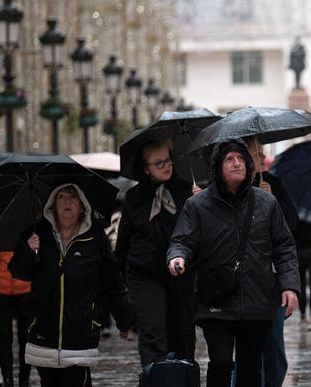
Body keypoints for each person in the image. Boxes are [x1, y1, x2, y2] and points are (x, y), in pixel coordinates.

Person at [167, 140, 299, 387]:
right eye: (229, 159)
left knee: (250, 366)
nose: (236, 163)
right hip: (216, 298)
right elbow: (182, 240)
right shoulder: (198, 204)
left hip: (257, 299)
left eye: (241, 159)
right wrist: (177, 257)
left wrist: (289, 286)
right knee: (221, 361)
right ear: (218, 167)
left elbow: (284, 246)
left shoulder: (267, 202)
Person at [11, 184, 135, 386]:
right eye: (61, 196)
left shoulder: (95, 237)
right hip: (44, 330)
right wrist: (27, 250)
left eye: (73, 196)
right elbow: (18, 272)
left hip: (81, 331)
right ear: (52, 205)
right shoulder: (37, 234)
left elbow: (112, 281)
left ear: (82, 206)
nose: (67, 201)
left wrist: (125, 320)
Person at [116, 138, 196, 366]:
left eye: (168, 160)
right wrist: (120, 284)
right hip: (144, 274)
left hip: (180, 274)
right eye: (159, 163)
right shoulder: (134, 197)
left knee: (182, 333)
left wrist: (200, 202)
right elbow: (123, 243)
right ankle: (155, 377)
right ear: (146, 169)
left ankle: (182, 376)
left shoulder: (187, 192)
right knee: (153, 331)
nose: (166, 166)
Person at [247, 137, 299, 387]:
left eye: (262, 153)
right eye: (255, 154)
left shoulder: (272, 183)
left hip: (271, 277)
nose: (261, 158)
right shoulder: (228, 188)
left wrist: (272, 200)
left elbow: (292, 225)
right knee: (248, 351)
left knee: (274, 348)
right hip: (243, 281)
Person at [0, 248, 32, 387]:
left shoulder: (31, 233)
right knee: (4, 335)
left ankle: (24, 380)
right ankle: (8, 380)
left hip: (26, 287)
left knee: (25, 337)